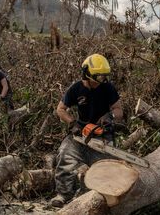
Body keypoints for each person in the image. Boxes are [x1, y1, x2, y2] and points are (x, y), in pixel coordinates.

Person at [51, 53, 123, 208]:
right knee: (64, 155)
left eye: (104, 76)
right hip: (80, 133)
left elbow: (119, 110)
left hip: (103, 134)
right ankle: (63, 194)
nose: (102, 80)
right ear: (87, 73)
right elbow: (60, 109)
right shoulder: (76, 89)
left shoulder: (107, 88)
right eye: (99, 77)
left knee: (108, 167)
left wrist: (109, 116)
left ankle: (103, 198)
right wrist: (72, 123)